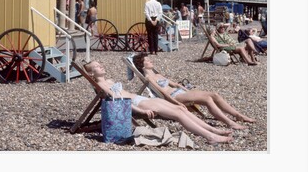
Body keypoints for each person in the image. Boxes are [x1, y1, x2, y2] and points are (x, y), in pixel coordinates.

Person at [84, 60, 233, 145]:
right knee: (178, 115)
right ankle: (210, 136)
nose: (101, 65)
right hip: (138, 104)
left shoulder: (109, 81)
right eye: (96, 66)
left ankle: (213, 130)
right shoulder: (102, 86)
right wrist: (140, 112)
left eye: (100, 64)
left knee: (181, 109)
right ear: (91, 74)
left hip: (141, 99)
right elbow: (119, 101)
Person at [132, 53, 256, 130]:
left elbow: (175, 84)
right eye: (147, 60)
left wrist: (188, 90)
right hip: (175, 97)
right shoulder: (149, 78)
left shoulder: (157, 74)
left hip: (180, 92)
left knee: (214, 94)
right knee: (207, 99)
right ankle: (229, 123)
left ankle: (238, 115)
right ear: (142, 66)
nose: (151, 61)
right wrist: (177, 104)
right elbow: (163, 93)